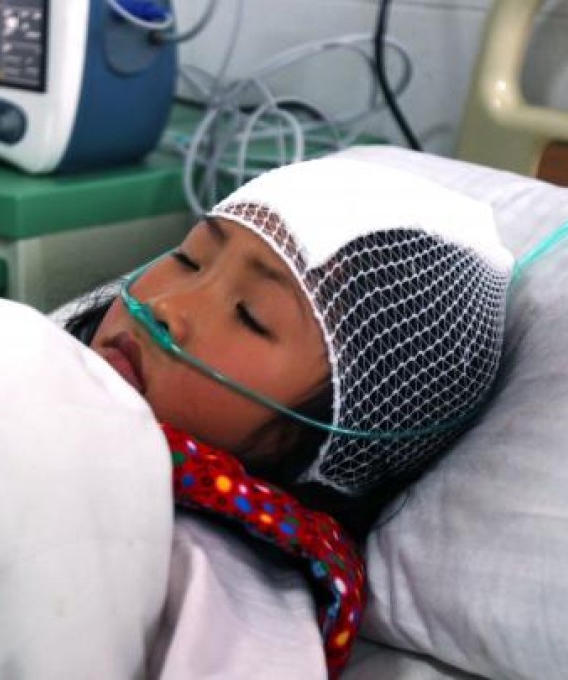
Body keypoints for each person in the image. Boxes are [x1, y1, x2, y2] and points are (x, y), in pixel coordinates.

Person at [61, 155, 513, 676]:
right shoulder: (30, 361)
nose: (166, 306)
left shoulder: (220, 587)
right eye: (189, 258)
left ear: (329, 436)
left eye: (250, 315)